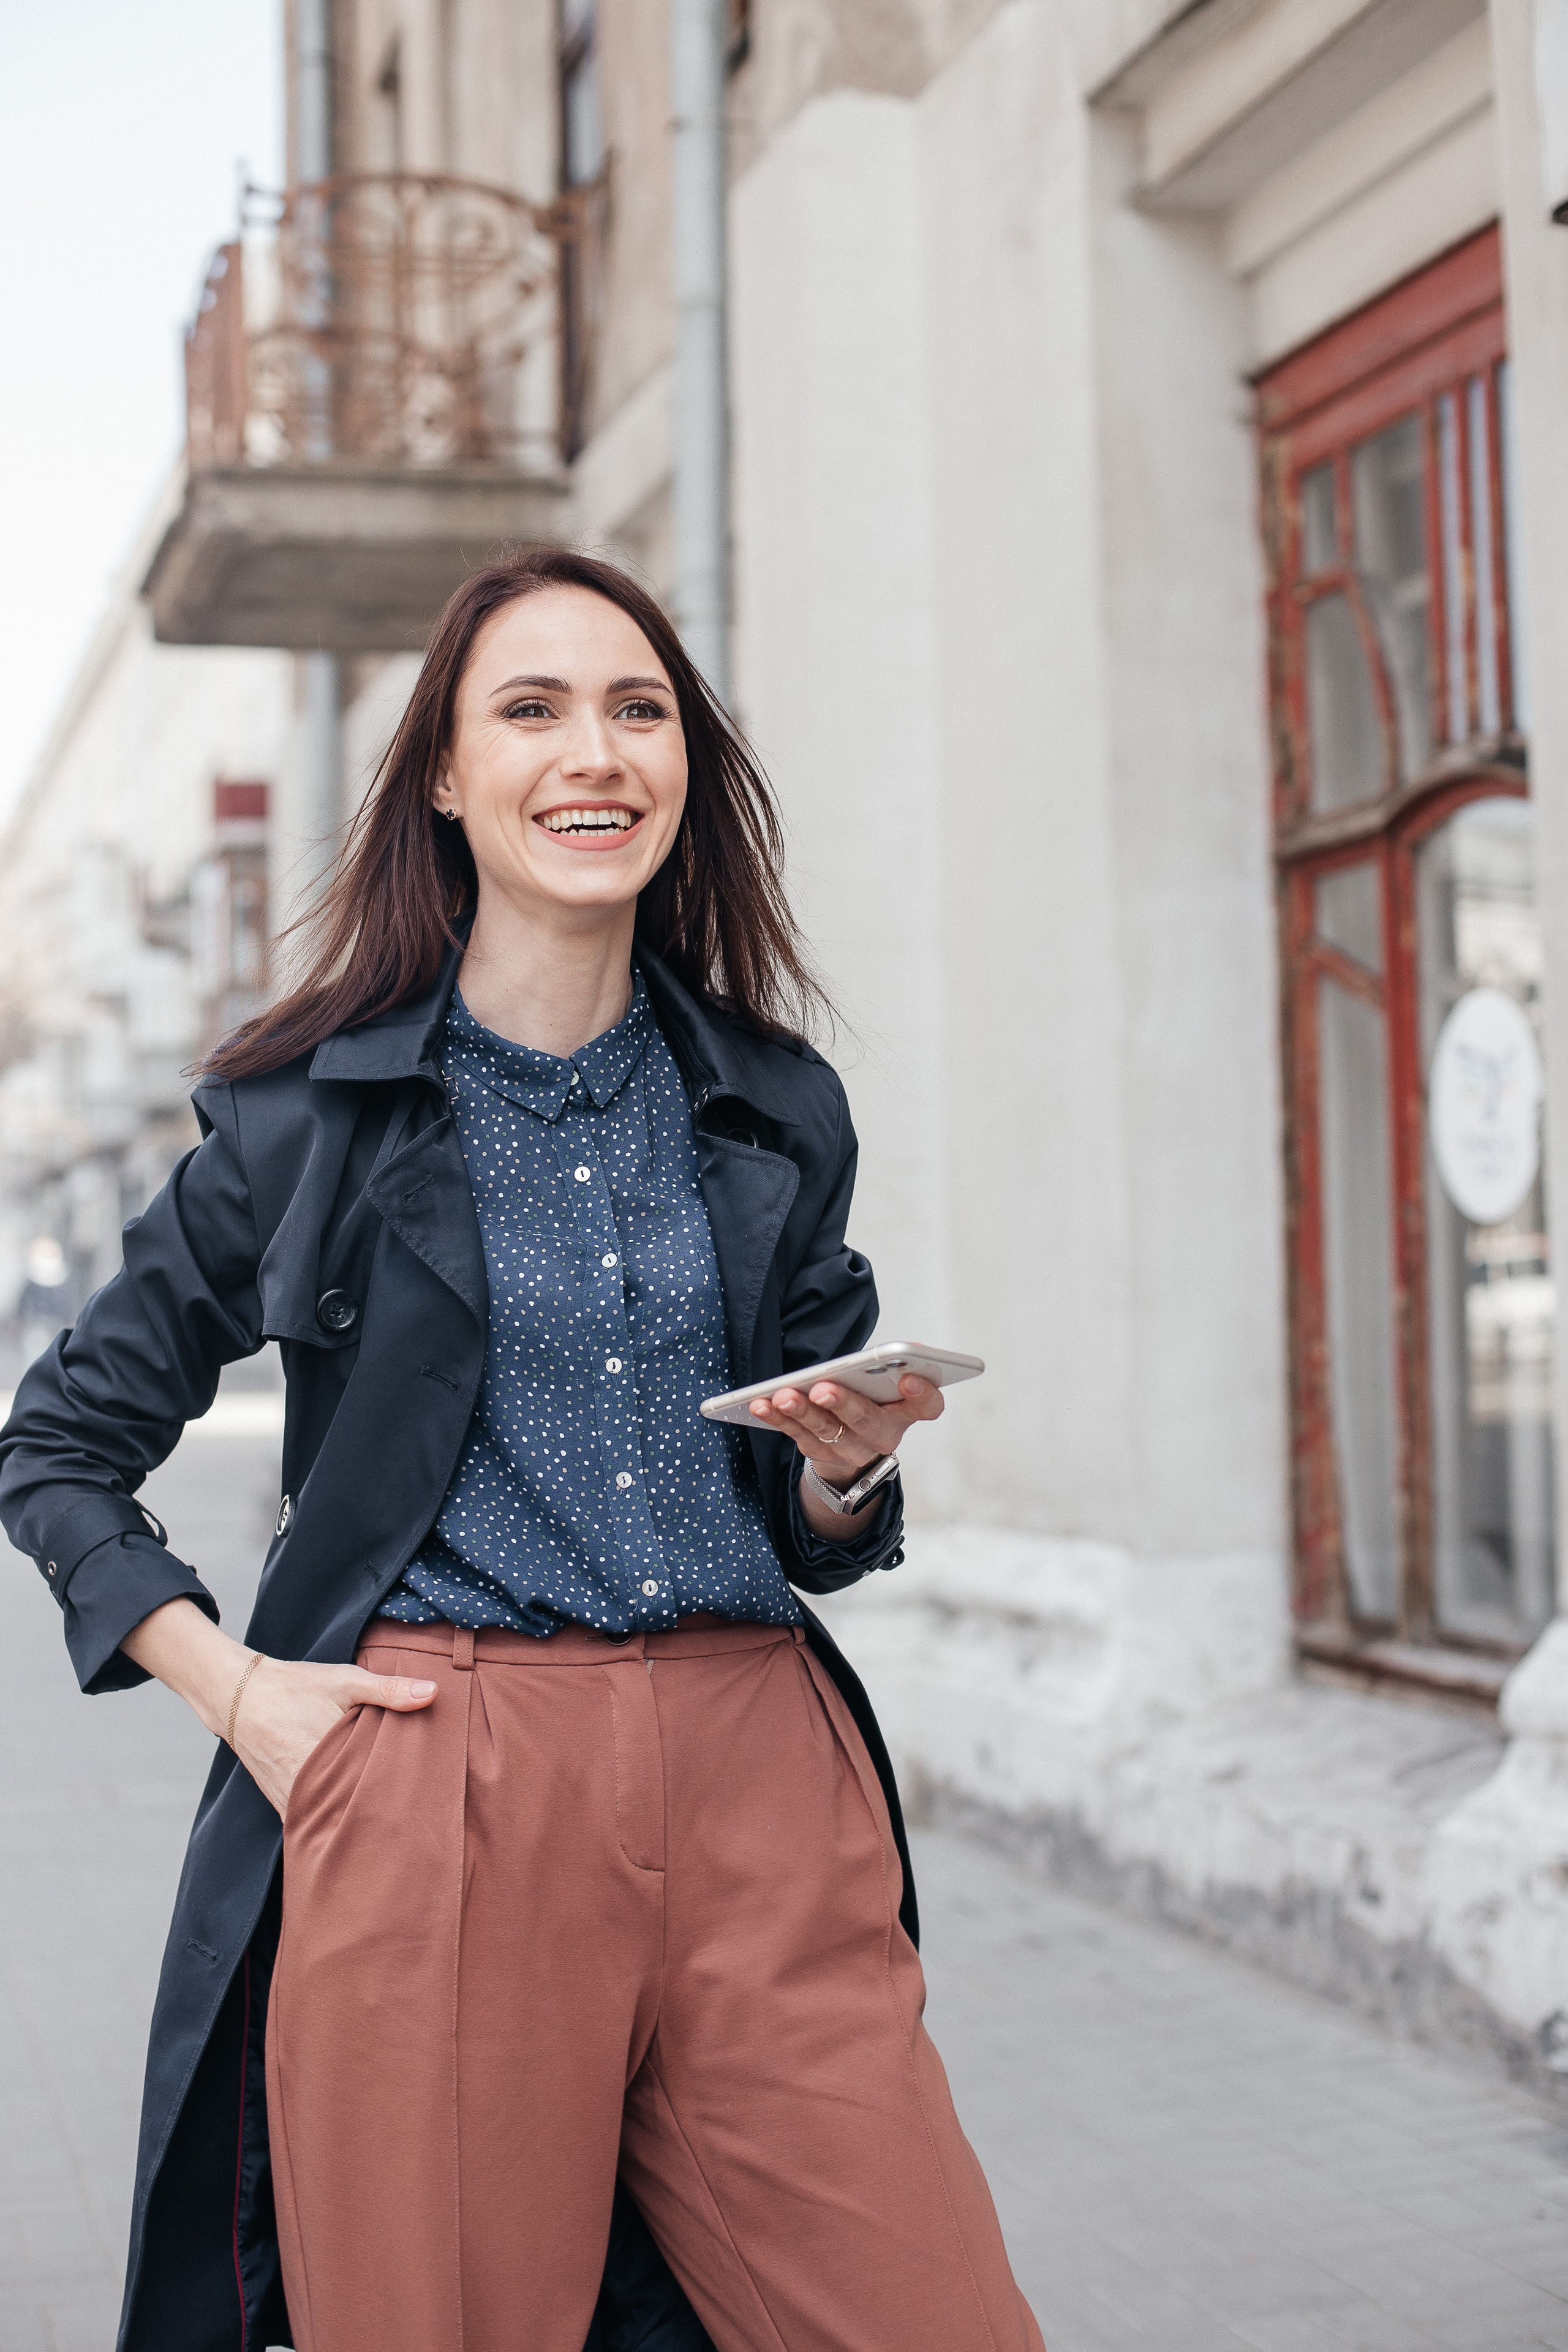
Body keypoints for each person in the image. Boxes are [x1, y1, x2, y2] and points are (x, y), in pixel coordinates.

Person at [0, 548, 1045, 2352]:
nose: (598, 752)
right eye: (535, 709)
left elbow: (814, 1508)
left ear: (685, 770)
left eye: (641, 709)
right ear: (445, 776)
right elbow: (59, 1447)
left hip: (760, 1785)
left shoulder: (771, 1101)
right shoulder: (303, 1120)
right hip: (444, 1780)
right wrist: (236, 1691)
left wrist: (841, 1463)